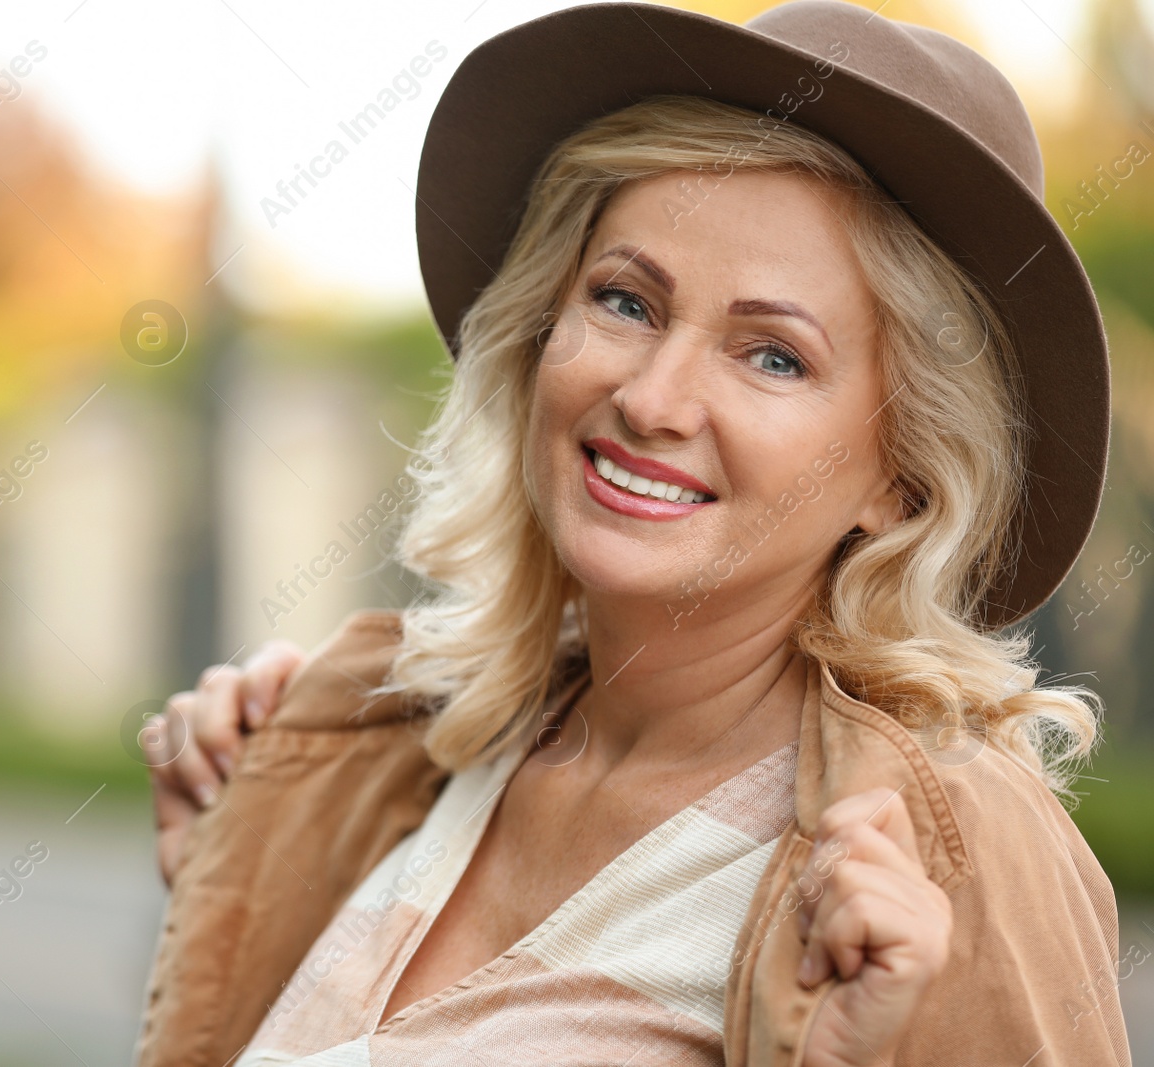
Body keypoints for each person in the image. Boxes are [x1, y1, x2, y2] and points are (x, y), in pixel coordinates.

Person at [134, 3, 1131, 1064]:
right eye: (626, 301)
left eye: (772, 356)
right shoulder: (404, 748)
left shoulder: (941, 844)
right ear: (540, 329)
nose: (653, 398)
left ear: (902, 477)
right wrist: (242, 866)